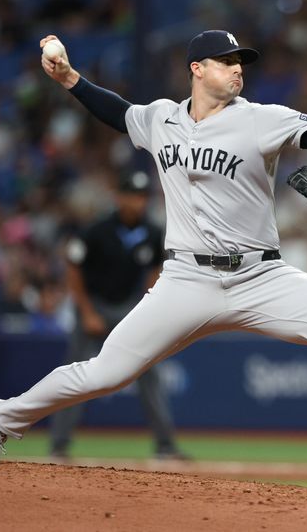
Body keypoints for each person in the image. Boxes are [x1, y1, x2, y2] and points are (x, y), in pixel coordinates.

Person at [0, 30, 307, 505]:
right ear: (197, 70)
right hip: (186, 280)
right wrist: (71, 80)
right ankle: (0, 421)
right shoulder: (161, 118)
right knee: (105, 374)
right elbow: (119, 113)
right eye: (227, 62)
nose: (238, 69)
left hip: (261, 277)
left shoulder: (260, 119)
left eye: (241, 62)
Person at [50, 171, 186, 460]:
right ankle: (59, 444)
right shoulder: (96, 230)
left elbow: (156, 271)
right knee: (77, 371)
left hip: (128, 307)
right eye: (132, 195)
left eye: (142, 196)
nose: (137, 202)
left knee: (149, 372)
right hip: (95, 305)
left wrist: (145, 309)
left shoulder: (152, 231)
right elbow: (73, 270)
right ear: (119, 197)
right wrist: (86, 312)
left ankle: (165, 445)